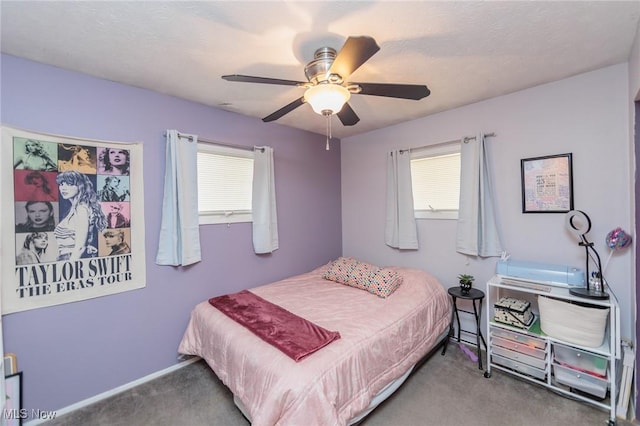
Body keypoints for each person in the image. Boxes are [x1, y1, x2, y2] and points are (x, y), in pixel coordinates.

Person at [54, 171, 107, 260]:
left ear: (80, 186)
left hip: (72, 260)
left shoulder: (81, 208)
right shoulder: (74, 208)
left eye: (70, 184)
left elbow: (80, 248)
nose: (63, 188)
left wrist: (69, 268)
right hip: (68, 258)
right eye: (62, 184)